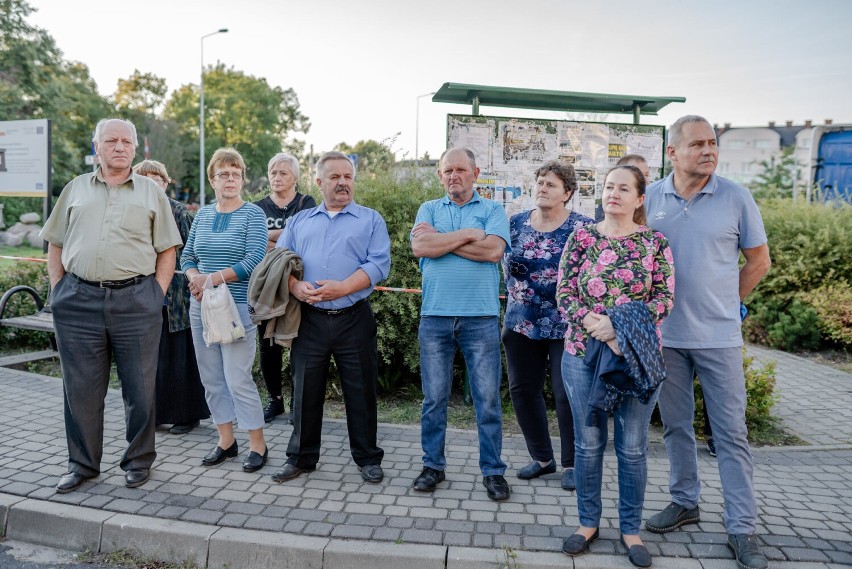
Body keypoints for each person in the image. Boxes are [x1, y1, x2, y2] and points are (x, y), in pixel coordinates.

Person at [643, 115, 771, 569]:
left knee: (731, 433)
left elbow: (759, 260)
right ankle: (684, 502)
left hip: (718, 338)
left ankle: (742, 528)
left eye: (713, 143)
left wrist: (725, 300)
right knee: (676, 426)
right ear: (672, 152)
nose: (708, 150)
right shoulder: (651, 197)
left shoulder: (736, 196)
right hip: (666, 337)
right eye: (697, 143)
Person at [41, 118, 182, 493]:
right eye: (111, 140)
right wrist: (58, 290)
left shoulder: (152, 194)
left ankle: (138, 462)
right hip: (78, 302)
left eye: (126, 141)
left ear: (135, 148)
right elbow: (55, 242)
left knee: (140, 389)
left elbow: (168, 248)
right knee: (81, 390)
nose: (119, 147)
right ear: (97, 146)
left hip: (137, 301)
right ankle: (83, 464)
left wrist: (157, 293)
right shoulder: (74, 190)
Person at [555, 164, 675, 567]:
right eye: (609, 187)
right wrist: (596, 325)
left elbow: (664, 298)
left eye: (624, 188)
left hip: (636, 358)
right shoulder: (582, 236)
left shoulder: (656, 243)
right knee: (588, 444)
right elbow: (566, 291)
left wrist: (618, 328)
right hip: (582, 354)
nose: (614, 193)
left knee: (633, 447)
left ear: (640, 199)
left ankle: (630, 530)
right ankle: (588, 523)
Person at [270, 151, 390, 484]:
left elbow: (377, 265)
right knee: (304, 389)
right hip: (309, 319)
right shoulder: (299, 221)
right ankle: (301, 458)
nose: (342, 183)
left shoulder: (370, 220)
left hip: (354, 317)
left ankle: (367, 458)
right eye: (334, 177)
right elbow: (280, 264)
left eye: (348, 177)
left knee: (361, 390)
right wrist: (295, 288)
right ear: (320, 182)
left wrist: (342, 288)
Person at [410, 147, 512, 501]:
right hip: (434, 316)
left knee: (487, 401)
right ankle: (432, 466)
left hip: (480, 318)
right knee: (434, 399)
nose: (454, 175)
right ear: (440, 175)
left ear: (475, 172)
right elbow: (421, 247)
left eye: (461, 170)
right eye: (447, 170)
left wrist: (442, 242)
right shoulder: (428, 209)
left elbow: (493, 252)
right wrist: (471, 235)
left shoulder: (493, 209)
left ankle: (493, 472)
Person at [502, 160, 593, 491]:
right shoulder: (514, 224)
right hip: (521, 322)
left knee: (566, 393)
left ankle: (572, 463)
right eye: (540, 182)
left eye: (551, 184)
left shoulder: (583, 228)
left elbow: (594, 275)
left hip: (566, 324)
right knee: (522, 391)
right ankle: (542, 458)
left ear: (567, 193)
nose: (543, 187)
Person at [182, 147, 270, 473]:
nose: (230, 179)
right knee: (212, 379)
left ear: (243, 179)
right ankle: (226, 441)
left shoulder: (253, 215)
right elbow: (187, 256)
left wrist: (211, 279)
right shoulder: (202, 215)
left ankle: (258, 444)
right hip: (201, 307)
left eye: (235, 173)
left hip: (236, 307)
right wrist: (195, 279)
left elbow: (253, 260)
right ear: (213, 179)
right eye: (223, 174)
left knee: (238, 379)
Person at [133, 160, 210, 435]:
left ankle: (187, 415)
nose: (153, 181)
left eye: (158, 177)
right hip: (143, 297)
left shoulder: (178, 212)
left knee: (179, 360)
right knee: (152, 362)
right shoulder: (134, 210)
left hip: (176, 299)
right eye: (146, 177)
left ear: (166, 183)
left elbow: (193, 253)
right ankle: (155, 415)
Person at [253, 152, 316, 424]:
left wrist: (272, 239)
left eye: (283, 173)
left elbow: (305, 236)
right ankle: (275, 400)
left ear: (295, 177)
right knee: (268, 345)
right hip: (268, 285)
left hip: (299, 283)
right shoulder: (257, 207)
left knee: (299, 344)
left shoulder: (307, 203)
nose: (277, 178)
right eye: (273, 173)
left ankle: (297, 403)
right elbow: (255, 240)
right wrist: (287, 233)